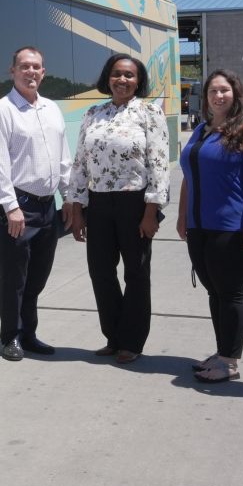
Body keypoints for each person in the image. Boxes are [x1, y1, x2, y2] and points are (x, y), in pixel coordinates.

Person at [70, 53, 169, 363]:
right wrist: (76, 207)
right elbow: (80, 163)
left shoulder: (149, 113)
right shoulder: (93, 114)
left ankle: (132, 341)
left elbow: (158, 163)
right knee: (101, 272)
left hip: (134, 202)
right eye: (117, 74)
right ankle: (113, 336)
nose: (122, 80)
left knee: (136, 274)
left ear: (138, 81)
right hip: (98, 202)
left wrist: (151, 210)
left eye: (129, 75)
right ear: (107, 77)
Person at [0, 46, 74, 361]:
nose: (31, 72)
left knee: (38, 274)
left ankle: (29, 333)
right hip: (19, 204)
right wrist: (10, 207)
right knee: (15, 276)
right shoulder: (1, 111)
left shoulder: (51, 109)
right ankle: (11, 336)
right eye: (24, 66)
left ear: (43, 72)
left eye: (36, 67)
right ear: (13, 72)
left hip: (47, 205)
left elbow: (63, 159)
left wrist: (70, 198)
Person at [176, 69, 243, 382]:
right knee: (215, 293)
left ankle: (230, 361)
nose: (218, 96)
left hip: (234, 227)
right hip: (200, 227)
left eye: (224, 90)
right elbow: (190, 174)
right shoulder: (201, 129)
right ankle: (222, 351)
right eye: (213, 91)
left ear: (236, 94)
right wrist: (181, 214)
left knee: (231, 294)